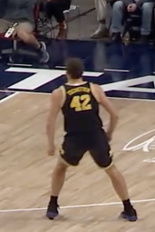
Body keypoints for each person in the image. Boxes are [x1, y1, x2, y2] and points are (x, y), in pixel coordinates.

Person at [44, 57, 136, 222]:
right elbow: (114, 115)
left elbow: (50, 122)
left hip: (74, 137)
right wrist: (109, 133)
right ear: (82, 72)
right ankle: (129, 208)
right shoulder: (94, 88)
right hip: (95, 134)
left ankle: (52, 205)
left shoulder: (59, 93)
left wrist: (51, 144)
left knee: (60, 167)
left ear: (66, 73)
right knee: (111, 169)